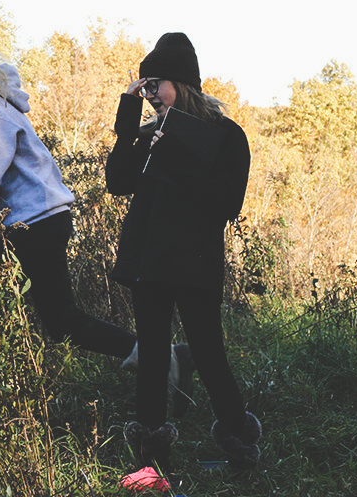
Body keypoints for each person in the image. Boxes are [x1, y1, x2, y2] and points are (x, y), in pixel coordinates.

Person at [0, 30, 193, 387]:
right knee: (53, 316)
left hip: (36, 222)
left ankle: (165, 359)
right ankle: (165, 358)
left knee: (62, 320)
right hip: (41, 217)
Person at [105, 32, 259, 484]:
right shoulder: (152, 134)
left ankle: (241, 446)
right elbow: (117, 181)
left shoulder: (226, 135)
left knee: (209, 354)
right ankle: (151, 464)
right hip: (150, 262)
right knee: (153, 356)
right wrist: (128, 119)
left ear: (183, 83)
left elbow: (227, 203)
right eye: (144, 87)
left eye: (155, 85)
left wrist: (176, 153)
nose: (150, 95)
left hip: (195, 262)